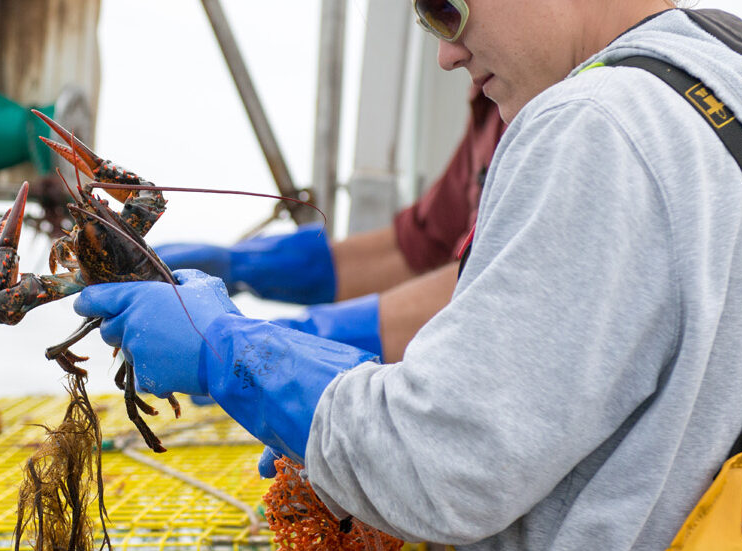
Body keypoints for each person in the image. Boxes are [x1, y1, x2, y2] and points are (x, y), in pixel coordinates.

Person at [72, 1, 742, 551]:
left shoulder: (598, 126)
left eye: (446, 6)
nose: (445, 51)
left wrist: (232, 352)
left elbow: (441, 463)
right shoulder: (729, 116)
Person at [155, 90, 504, 363]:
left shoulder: (541, 108)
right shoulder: (493, 96)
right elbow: (419, 246)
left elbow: (493, 293)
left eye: (447, 10)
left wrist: (287, 341)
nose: (446, 56)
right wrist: (242, 266)